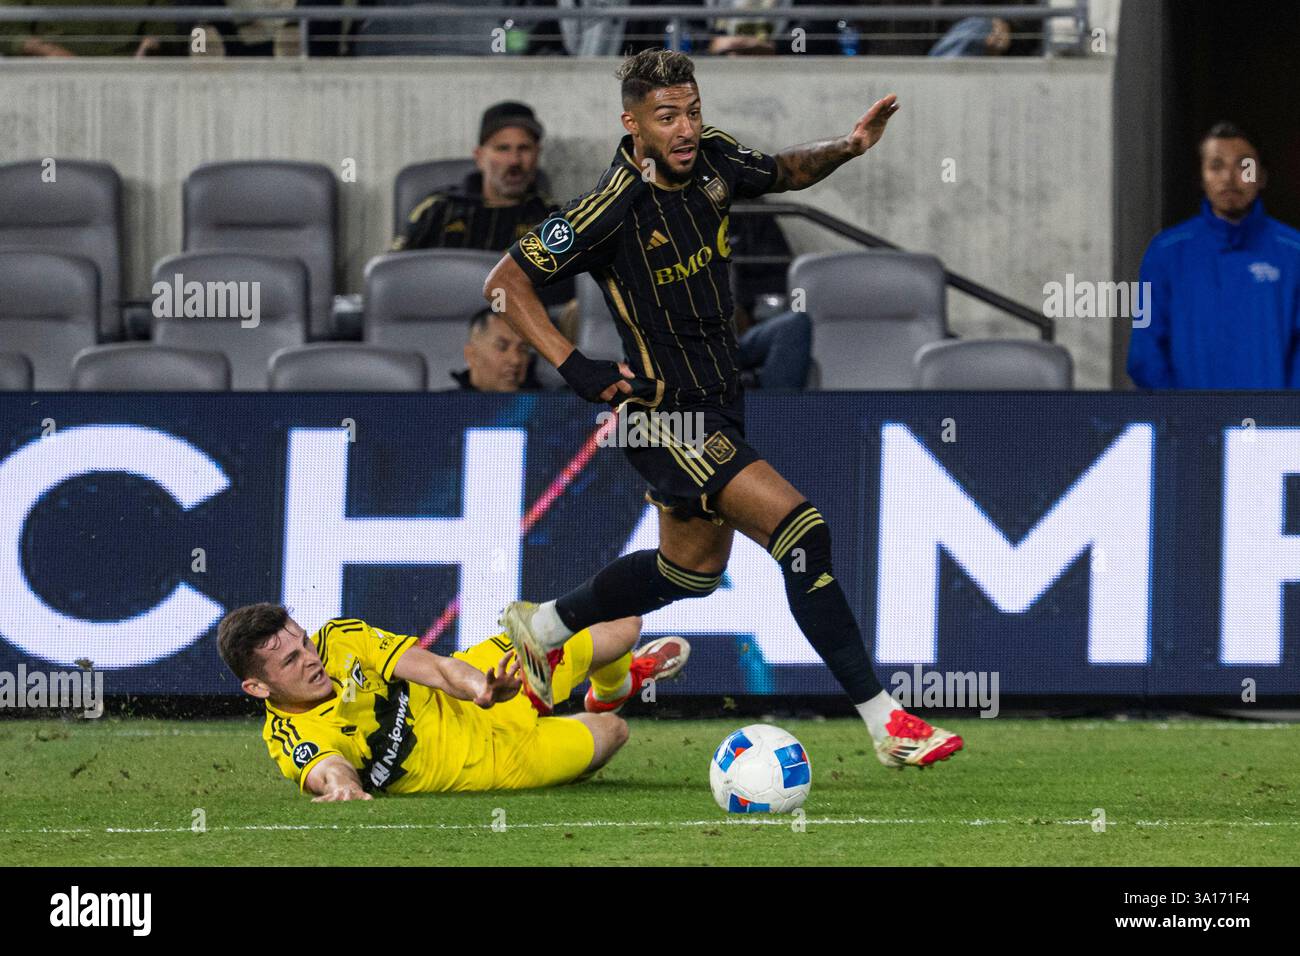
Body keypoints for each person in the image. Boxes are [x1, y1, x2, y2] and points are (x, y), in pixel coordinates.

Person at [485, 48, 963, 769]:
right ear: (633, 123)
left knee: (689, 574)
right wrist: (573, 363)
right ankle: (884, 719)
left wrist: (849, 146)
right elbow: (505, 281)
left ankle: (543, 625)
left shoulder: (713, 161)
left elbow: (783, 170)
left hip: (722, 404)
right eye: (667, 116)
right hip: (663, 415)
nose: (685, 128)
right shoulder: (607, 209)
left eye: (693, 110)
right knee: (802, 529)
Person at [216, 603, 689, 800]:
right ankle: (601, 704)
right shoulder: (290, 735)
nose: (310, 659)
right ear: (257, 688)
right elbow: (328, 767)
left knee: (624, 624)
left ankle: (615, 686)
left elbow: (439, 669)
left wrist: (482, 689)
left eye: (303, 643)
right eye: (289, 661)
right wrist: (342, 787)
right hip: (492, 765)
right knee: (614, 733)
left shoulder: (340, 639)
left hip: (482, 685)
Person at [1127, 123, 1300, 389]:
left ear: (1262, 177)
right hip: (1189, 426)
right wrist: (1182, 415)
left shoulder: (1293, 252)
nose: (1229, 178)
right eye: (1216, 166)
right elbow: (1145, 352)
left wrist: (1284, 416)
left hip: (1273, 428)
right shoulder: (1165, 252)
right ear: (1201, 177)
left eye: (1244, 167)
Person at [0, 0, 183, 57]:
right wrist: (52, 53)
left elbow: (163, 29)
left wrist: (152, 46)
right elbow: (6, 30)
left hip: (129, 79)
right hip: (49, 81)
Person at [450, 308, 543, 392]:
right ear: (472, 355)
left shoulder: (545, 406)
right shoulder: (445, 407)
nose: (516, 360)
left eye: (523, 349)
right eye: (502, 347)